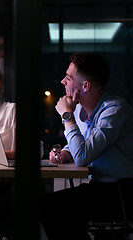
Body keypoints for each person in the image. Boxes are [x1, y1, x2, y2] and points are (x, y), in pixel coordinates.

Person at [41, 52, 133, 240]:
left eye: (68, 77)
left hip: (124, 193)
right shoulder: (82, 110)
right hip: (101, 188)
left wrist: (67, 116)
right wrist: (65, 153)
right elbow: (82, 145)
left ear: (86, 86)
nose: (62, 81)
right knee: (51, 206)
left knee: (52, 207)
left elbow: (83, 155)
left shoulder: (115, 110)